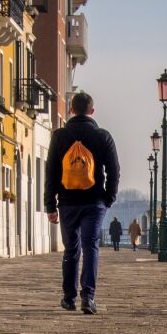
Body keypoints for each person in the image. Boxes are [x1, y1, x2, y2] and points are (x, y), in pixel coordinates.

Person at [45, 91, 120, 315]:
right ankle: (88, 297)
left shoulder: (59, 136)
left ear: (70, 110)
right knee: (90, 247)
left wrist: (50, 205)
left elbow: (51, 172)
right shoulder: (103, 136)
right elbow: (114, 170)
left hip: (67, 203)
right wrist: (109, 197)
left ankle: (69, 298)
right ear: (92, 111)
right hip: (94, 202)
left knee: (71, 250)